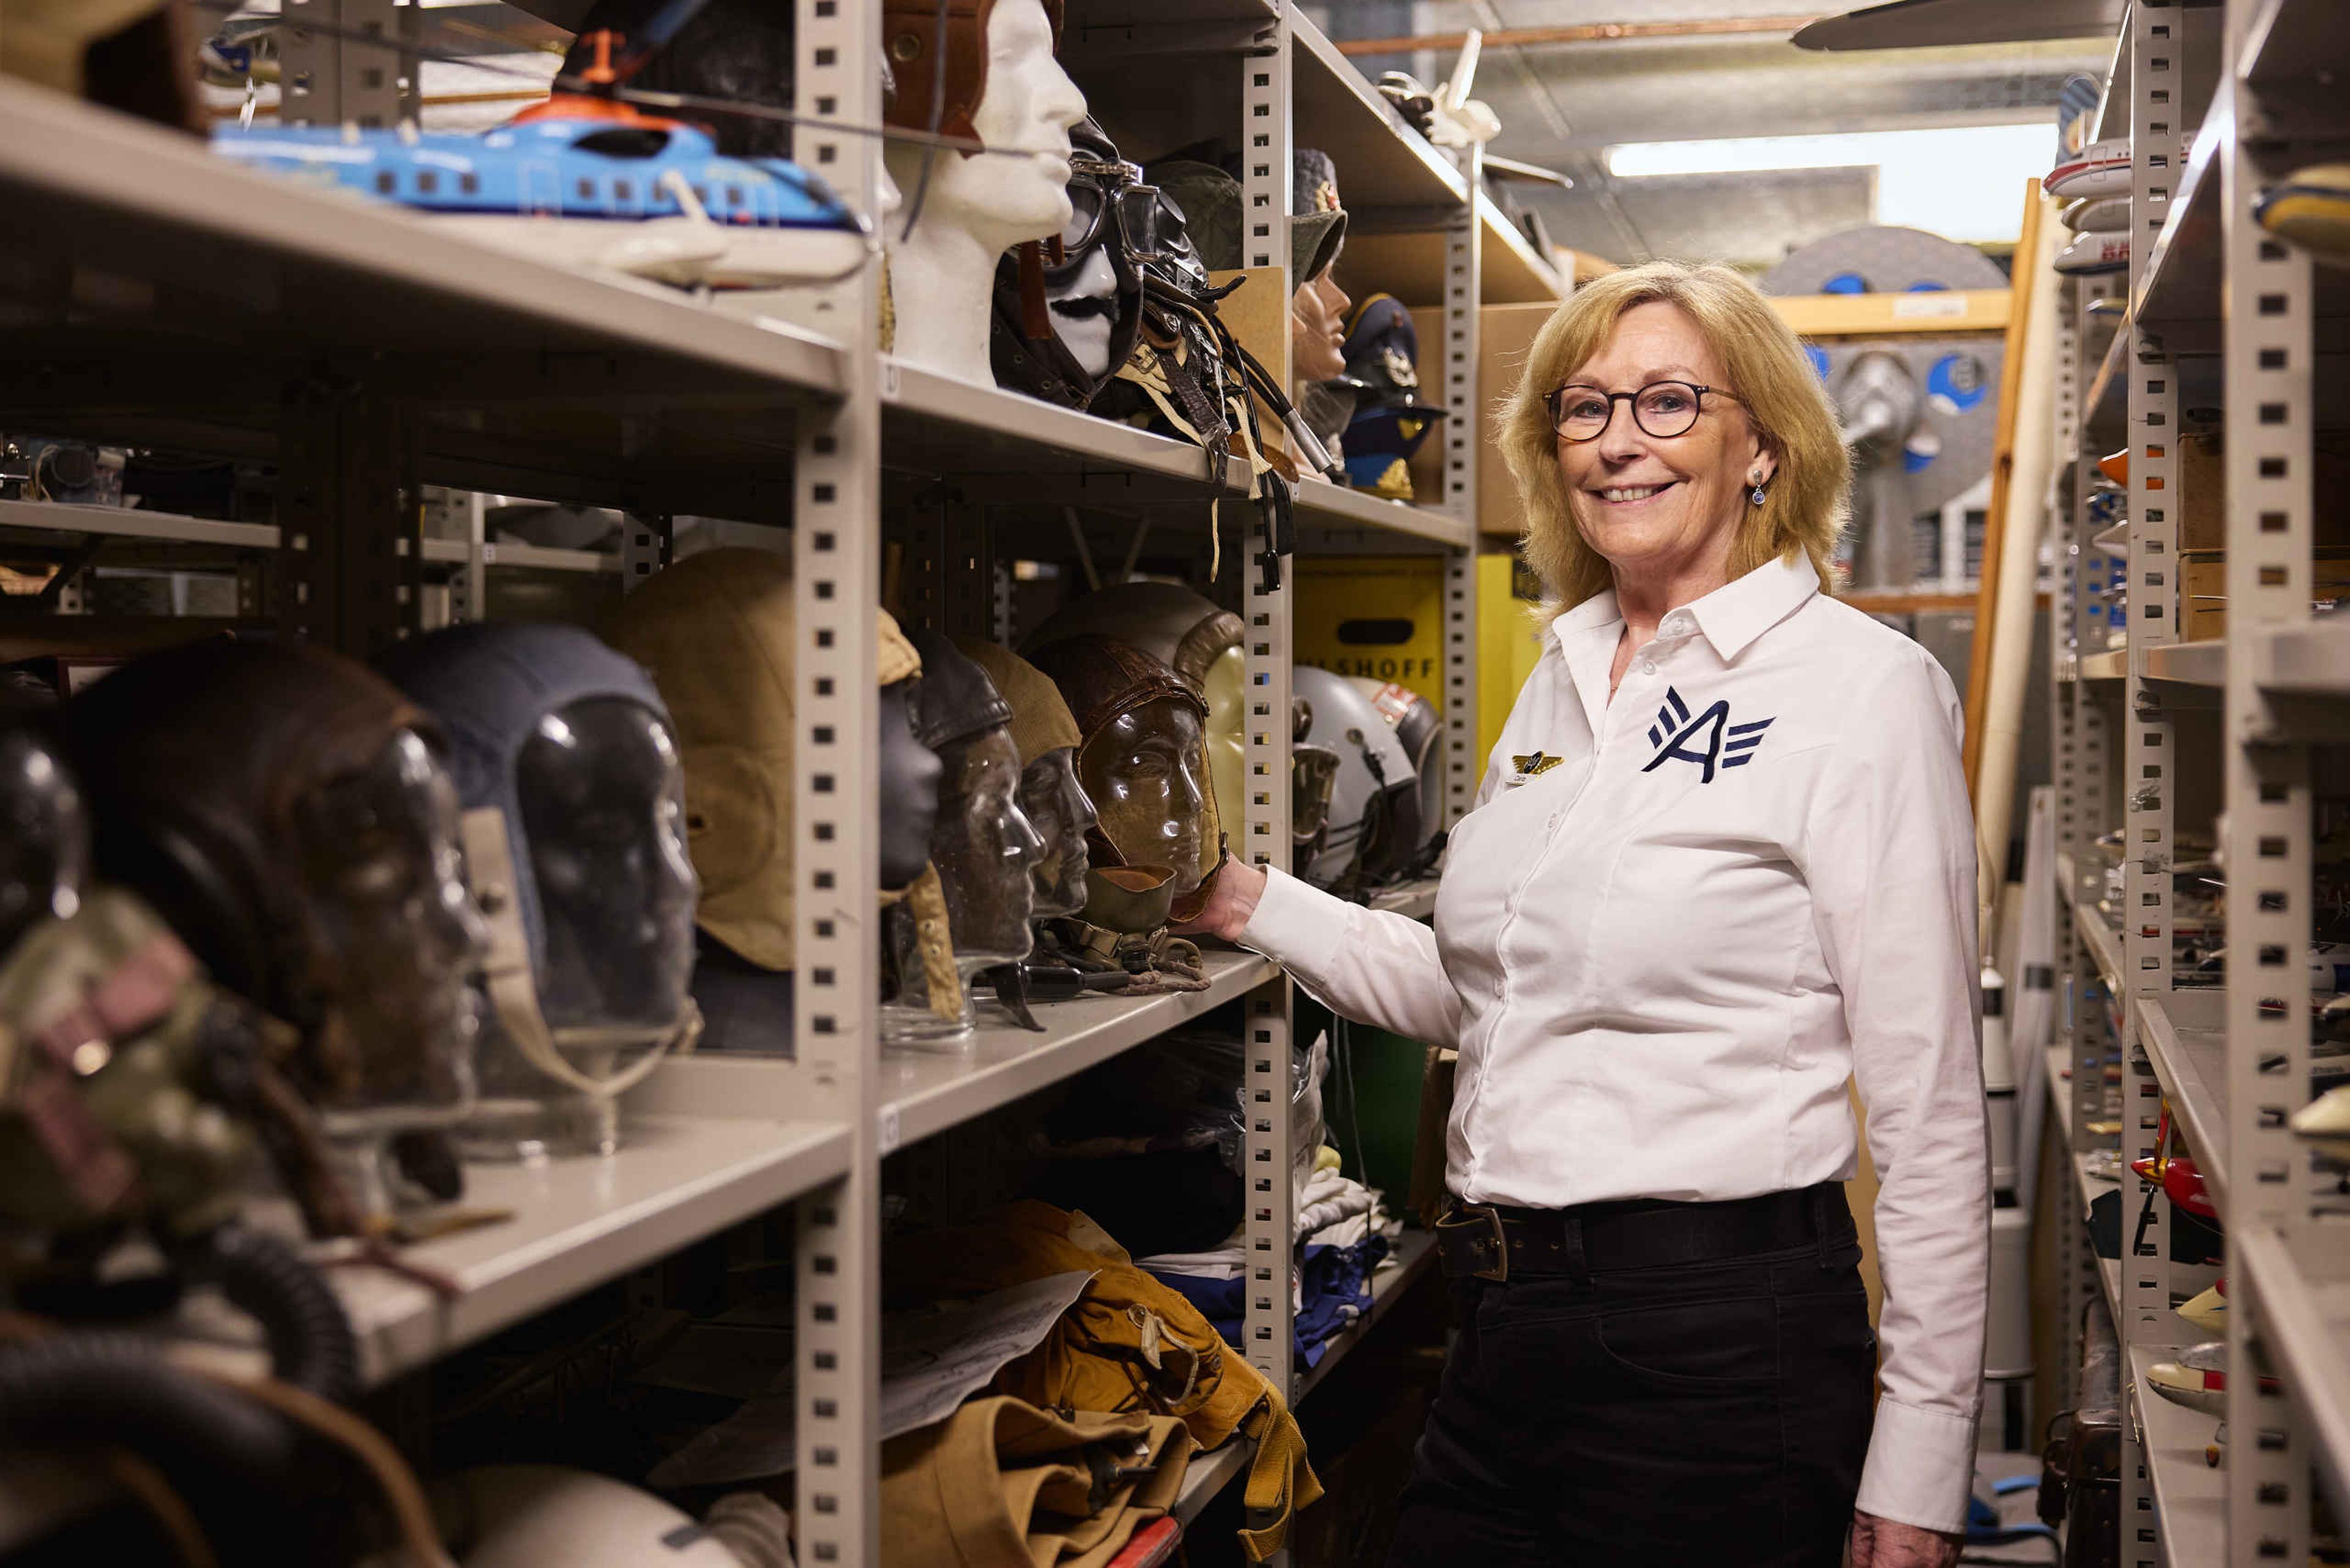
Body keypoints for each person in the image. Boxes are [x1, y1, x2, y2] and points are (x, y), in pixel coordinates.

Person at [1181, 259, 1988, 1568]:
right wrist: (1249, 899)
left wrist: (1920, 1470)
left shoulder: (1863, 692)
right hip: (1502, 1322)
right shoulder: (1563, 679)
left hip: (1720, 1348)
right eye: (1583, 408)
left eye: (1669, 403)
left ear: (1764, 449)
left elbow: (1932, 1111)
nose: (1618, 442)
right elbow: (1492, 995)